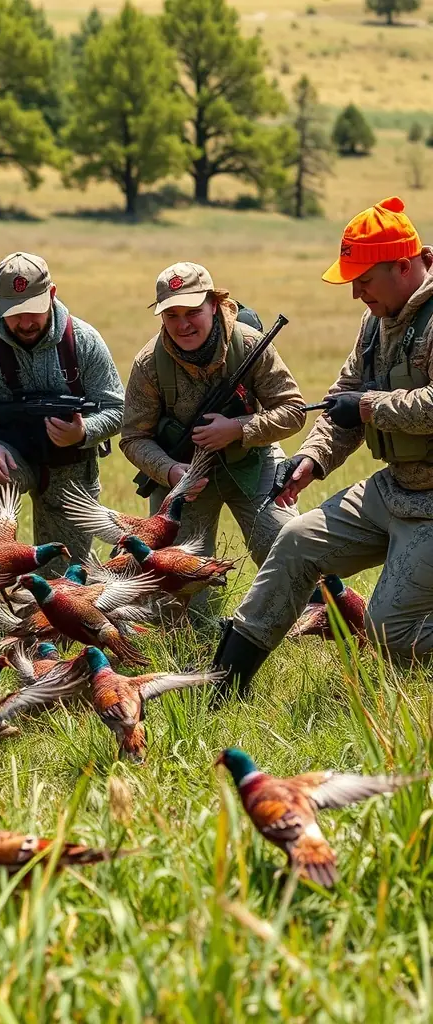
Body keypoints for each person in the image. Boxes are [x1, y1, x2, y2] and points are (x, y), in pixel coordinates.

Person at [216, 196, 433, 691]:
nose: (356, 294)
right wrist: (312, 459)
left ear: (403, 266)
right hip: (396, 489)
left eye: (364, 280)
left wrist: (368, 406)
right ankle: (222, 685)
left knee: (389, 632)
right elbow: (344, 397)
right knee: (295, 542)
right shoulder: (376, 320)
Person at [0, 252, 124, 635]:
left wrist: (83, 432)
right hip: (9, 462)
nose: (25, 321)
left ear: (53, 294)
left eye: (34, 310)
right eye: (14, 311)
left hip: (70, 469)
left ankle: (52, 636)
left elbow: (117, 409)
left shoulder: (84, 341)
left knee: (64, 582)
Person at [119, 261, 306, 604]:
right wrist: (171, 471)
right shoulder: (149, 364)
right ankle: (199, 643)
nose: (182, 324)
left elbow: (293, 411)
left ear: (214, 305)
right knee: (178, 587)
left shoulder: (251, 345)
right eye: (171, 315)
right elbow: (133, 437)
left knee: (287, 547)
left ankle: (310, 620)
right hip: (183, 479)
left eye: (192, 311)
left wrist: (237, 428)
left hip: (251, 461)